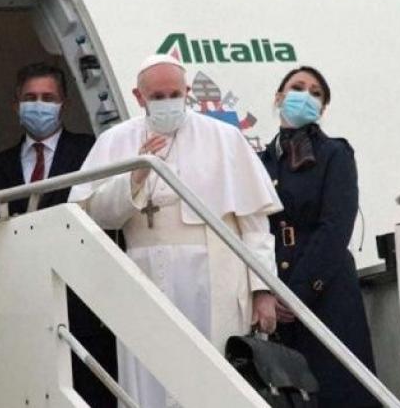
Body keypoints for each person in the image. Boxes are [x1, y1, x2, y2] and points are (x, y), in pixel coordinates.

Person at [69, 54, 282, 408]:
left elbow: (255, 224)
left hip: (216, 274)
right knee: (150, 376)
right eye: (157, 96)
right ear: (139, 97)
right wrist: (133, 177)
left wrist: (263, 291)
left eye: (175, 94)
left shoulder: (225, 138)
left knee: (212, 378)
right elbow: (94, 214)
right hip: (144, 273)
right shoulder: (116, 139)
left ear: (187, 92)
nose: (168, 102)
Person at [0, 62, 116, 407]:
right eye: (30, 98)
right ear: (15, 106)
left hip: (81, 304)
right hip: (19, 303)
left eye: (47, 97)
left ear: (63, 104)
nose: (38, 105)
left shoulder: (92, 153)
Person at [259, 66, 378, 408]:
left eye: (316, 93)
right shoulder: (259, 162)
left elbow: (335, 228)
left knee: (337, 389)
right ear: (279, 97)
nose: (306, 96)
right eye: (297, 87)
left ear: (322, 109)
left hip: (324, 292)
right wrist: (266, 290)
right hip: (276, 296)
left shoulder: (334, 154)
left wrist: (296, 294)